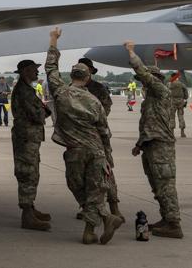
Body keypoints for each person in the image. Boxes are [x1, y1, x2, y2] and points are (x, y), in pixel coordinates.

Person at [46, 27, 123, 245]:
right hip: (96, 150)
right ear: (88, 77)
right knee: (95, 190)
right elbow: (104, 131)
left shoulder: (61, 92)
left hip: (76, 150)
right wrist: (108, 157)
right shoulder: (95, 102)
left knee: (76, 186)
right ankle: (101, 222)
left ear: (72, 76)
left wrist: (53, 40)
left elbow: (51, 68)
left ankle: (96, 226)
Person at [121, 41, 182, 238]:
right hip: (151, 145)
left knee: (165, 185)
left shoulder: (161, 92)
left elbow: (144, 74)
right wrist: (139, 144)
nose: (142, 82)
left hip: (161, 146)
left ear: (155, 79)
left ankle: (174, 224)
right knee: (157, 185)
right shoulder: (150, 100)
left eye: (145, 80)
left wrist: (131, 53)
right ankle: (166, 218)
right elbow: (149, 124)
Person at [79, 56, 123, 222]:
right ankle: (87, 207)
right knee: (82, 173)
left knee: (106, 171)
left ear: (90, 71)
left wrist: (93, 119)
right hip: (80, 136)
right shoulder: (72, 89)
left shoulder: (98, 88)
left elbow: (106, 107)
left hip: (98, 134)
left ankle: (114, 206)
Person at [10, 58, 51, 231]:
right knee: (27, 173)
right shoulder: (24, 91)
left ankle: (31, 209)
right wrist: (45, 111)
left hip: (29, 137)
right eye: (34, 69)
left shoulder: (27, 89)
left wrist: (43, 110)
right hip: (26, 137)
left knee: (32, 172)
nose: (37, 72)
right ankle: (27, 215)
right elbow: (38, 115)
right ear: (26, 71)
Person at [168, 72, 189, 138]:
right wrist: (185, 98)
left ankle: (172, 133)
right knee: (181, 116)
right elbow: (186, 93)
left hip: (172, 101)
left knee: (171, 117)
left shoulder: (169, 84)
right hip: (180, 101)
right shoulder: (181, 84)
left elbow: (166, 92)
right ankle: (182, 132)